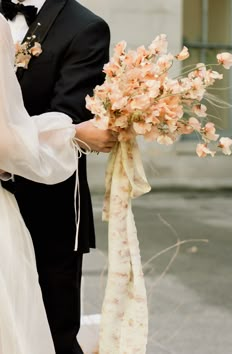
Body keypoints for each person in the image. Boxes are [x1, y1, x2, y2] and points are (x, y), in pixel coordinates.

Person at [0, 1, 116, 353]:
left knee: (53, 331)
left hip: (48, 205)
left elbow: (69, 113)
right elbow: (74, 131)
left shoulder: (86, 27)